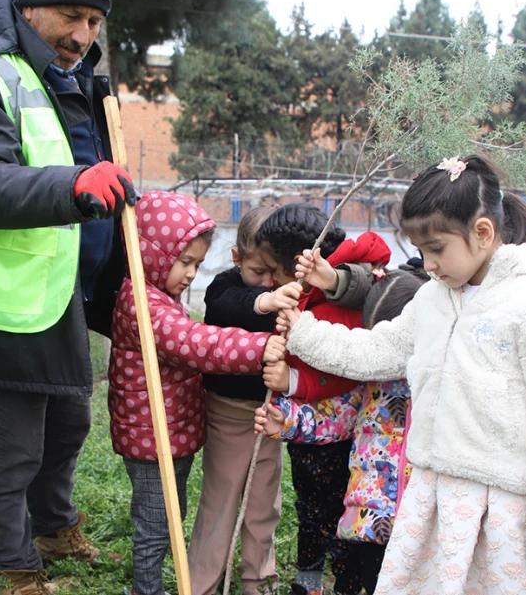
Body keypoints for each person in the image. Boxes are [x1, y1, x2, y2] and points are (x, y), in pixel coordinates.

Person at [276, 155, 526, 594]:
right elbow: (377, 350)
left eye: (437, 249)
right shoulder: (435, 297)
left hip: (506, 512)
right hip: (433, 500)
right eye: (421, 251)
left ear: (482, 232)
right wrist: (303, 331)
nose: (428, 264)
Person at [0, 0, 136, 591]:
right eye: (71, 16)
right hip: (5, 300)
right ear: (31, 7)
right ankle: (14, 567)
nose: (82, 34)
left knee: (70, 422)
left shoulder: (69, 76)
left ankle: (52, 528)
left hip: (58, 292)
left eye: (94, 21)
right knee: (11, 446)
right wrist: (72, 187)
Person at [108, 191, 285, 595]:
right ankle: (147, 590)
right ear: (151, 253)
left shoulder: (158, 296)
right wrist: (259, 349)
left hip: (169, 433)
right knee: (156, 524)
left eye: (197, 264)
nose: (190, 273)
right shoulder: (142, 304)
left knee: (171, 515)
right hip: (151, 437)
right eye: (184, 262)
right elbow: (196, 343)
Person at [255, 269, 426, 595]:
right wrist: (287, 421)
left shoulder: (436, 386)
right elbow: (336, 416)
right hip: (370, 521)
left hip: (419, 524)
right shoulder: (369, 380)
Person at [254, 204, 391, 595]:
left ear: (298, 264)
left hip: (338, 430)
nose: (268, 282)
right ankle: (310, 578)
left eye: (273, 272)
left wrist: (293, 379)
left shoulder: (336, 305)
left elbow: (342, 370)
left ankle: (339, 582)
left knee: (336, 509)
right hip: (304, 427)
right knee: (311, 505)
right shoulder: (308, 297)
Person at [187, 205, 290, 595]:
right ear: (237, 258)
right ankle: (202, 584)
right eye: (257, 272)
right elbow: (225, 307)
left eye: (275, 273)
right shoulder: (225, 287)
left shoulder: (290, 293)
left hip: (271, 416)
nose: (266, 283)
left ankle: (257, 580)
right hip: (228, 413)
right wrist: (264, 303)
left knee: (263, 505)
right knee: (221, 501)